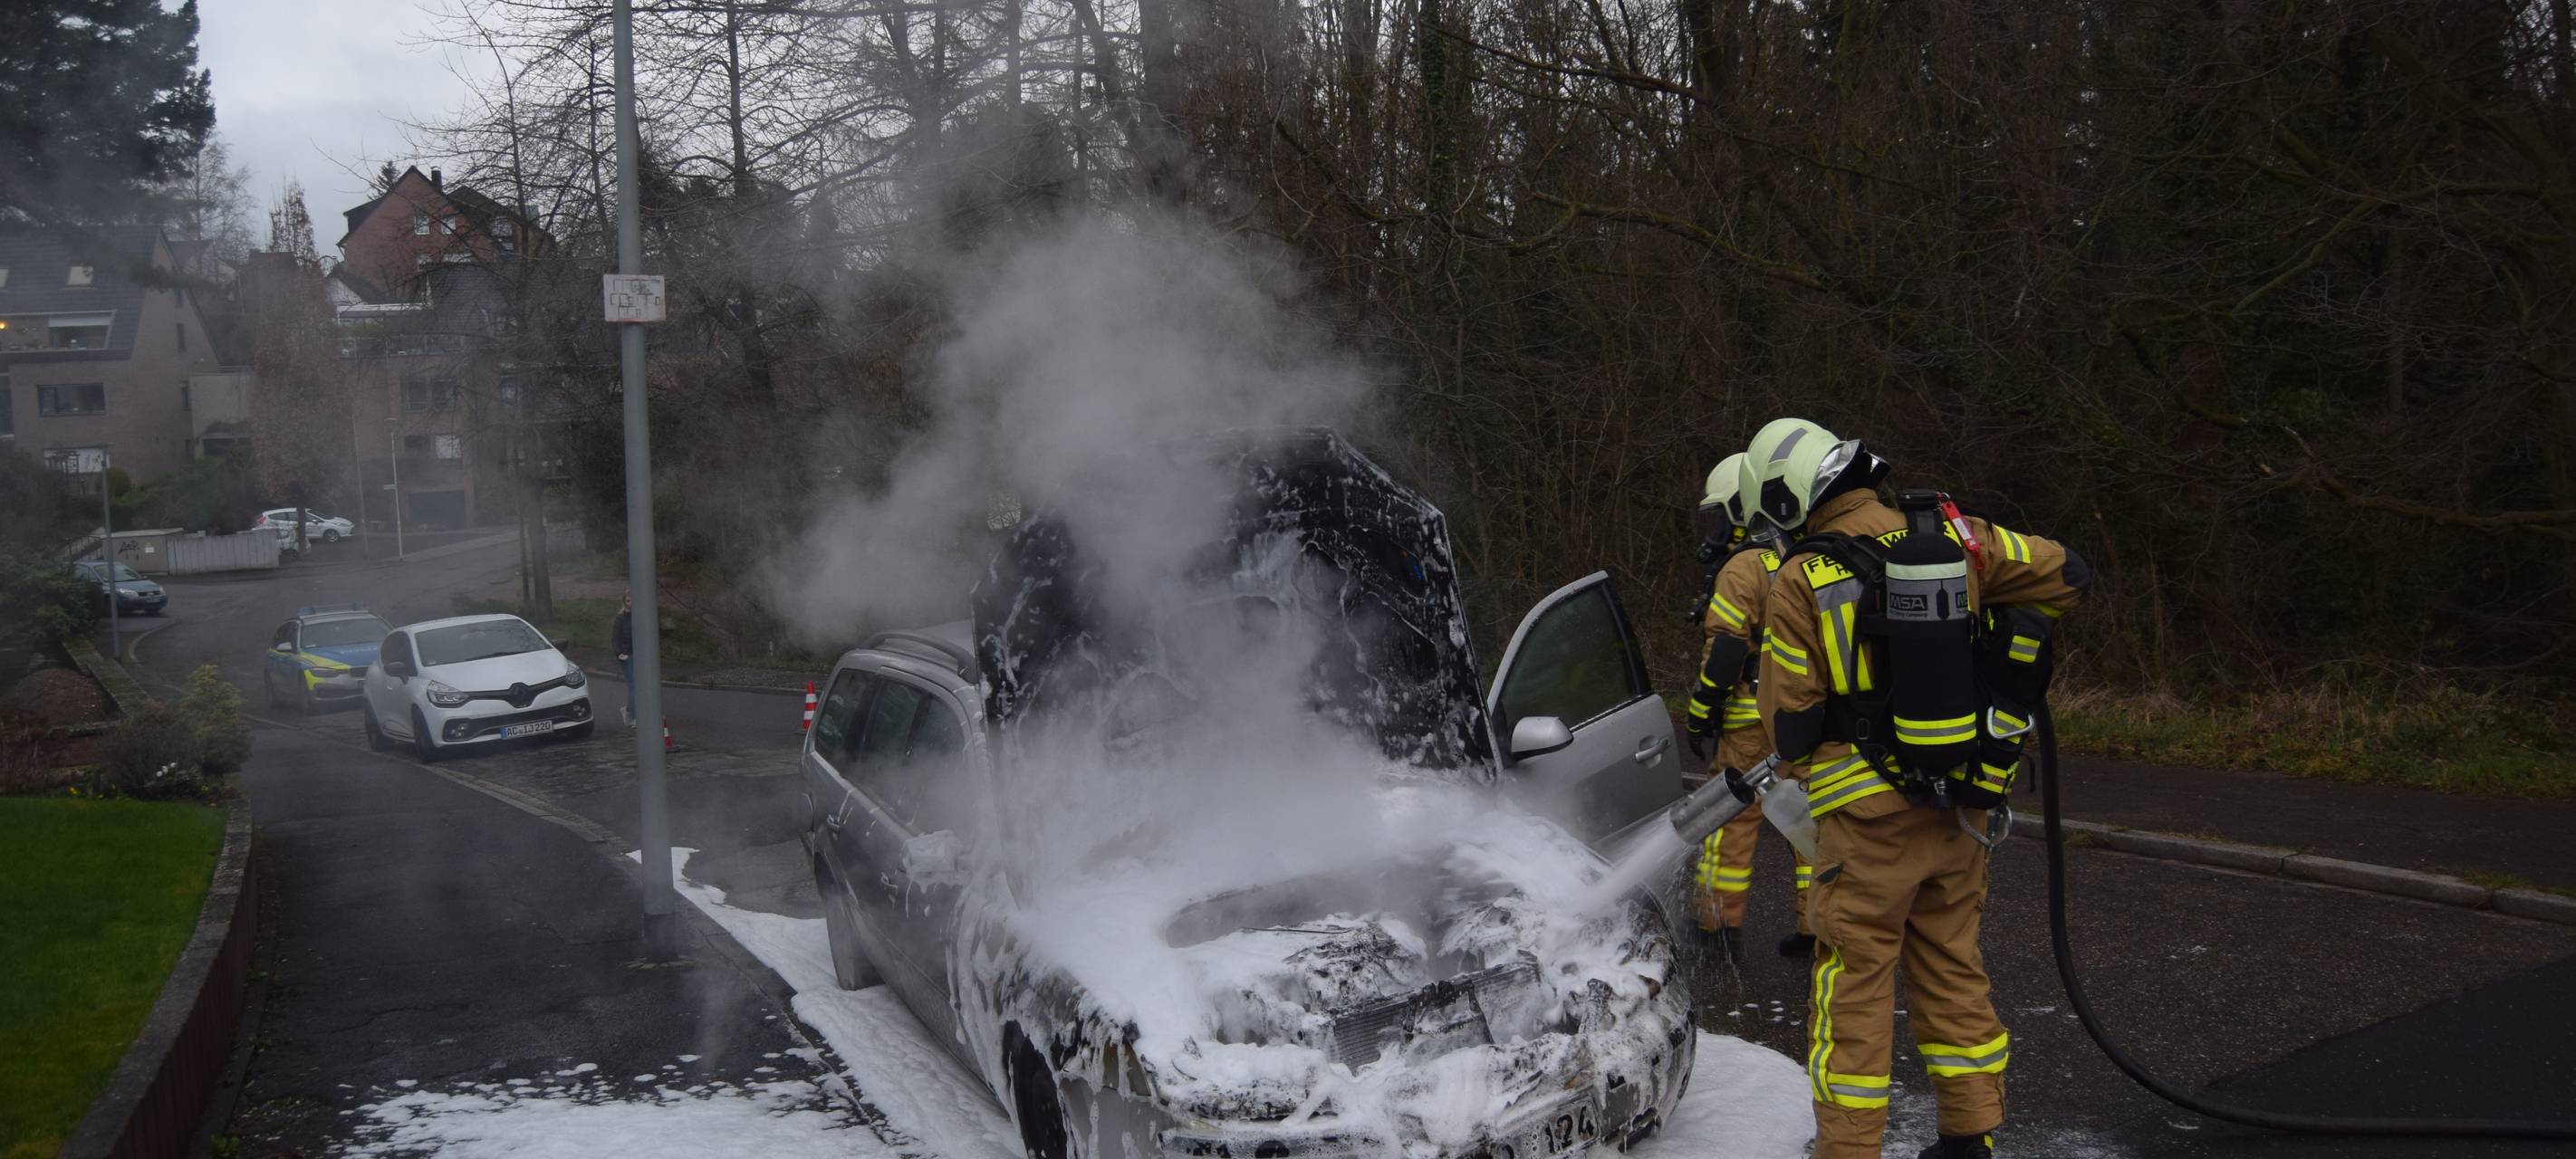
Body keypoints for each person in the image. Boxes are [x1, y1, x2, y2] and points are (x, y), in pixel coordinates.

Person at [1741, 417, 2089, 1159]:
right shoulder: (1958, 538)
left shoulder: (1801, 577)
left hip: (1867, 822)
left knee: (1854, 985)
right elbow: (2069, 575)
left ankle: (1847, 1150)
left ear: (1789, 498)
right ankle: (1970, 1136)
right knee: (1952, 966)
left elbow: (1790, 728)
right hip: (1963, 803)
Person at [1681, 453, 1812, 966]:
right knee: (1807, 824)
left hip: (1749, 724)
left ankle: (1716, 928)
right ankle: (1816, 930)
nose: (1717, 528)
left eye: (1722, 513)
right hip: (1805, 719)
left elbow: (1727, 651)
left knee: (1729, 824)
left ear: (1743, 507)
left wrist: (1700, 711)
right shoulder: (1808, 558)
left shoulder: (1743, 567)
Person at [612, 591, 636, 728]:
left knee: (643, 685)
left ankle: (628, 710)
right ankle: (635, 716)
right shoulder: (621, 618)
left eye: (633, 600)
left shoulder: (642, 615)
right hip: (627, 655)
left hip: (641, 655)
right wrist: (619, 653)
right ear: (624, 603)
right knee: (634, 685)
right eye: (628, 601)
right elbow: (615, 638)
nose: (631, 603)